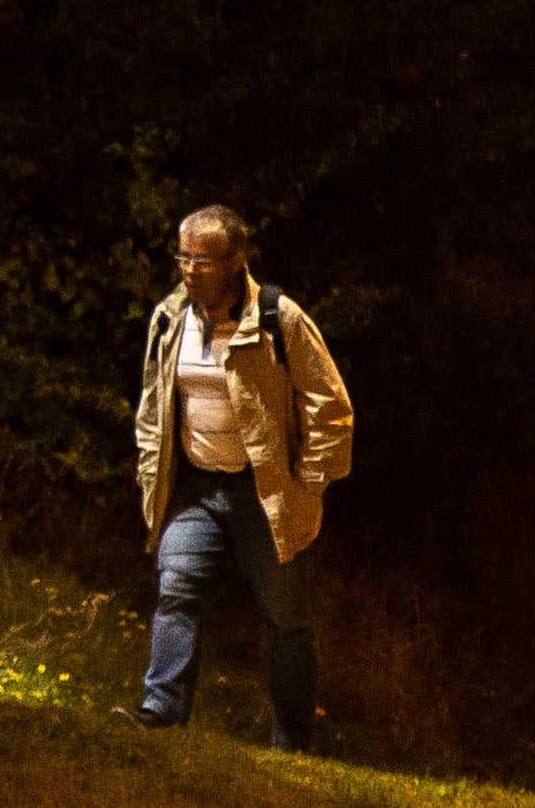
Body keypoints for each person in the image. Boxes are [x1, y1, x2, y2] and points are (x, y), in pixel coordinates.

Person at [134, 206, 355, 749]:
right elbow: (151, 407)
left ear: (237, 261)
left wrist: (308, 481)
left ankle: (293, 742)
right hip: (196, 488)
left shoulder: (280, 319)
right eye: (183, 256)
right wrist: (149, 471)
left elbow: (332, 405)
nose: (189, 269)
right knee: (176, 588)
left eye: (203, 259)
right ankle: (160, 714)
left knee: (285, 618)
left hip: (266, 492)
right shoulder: (170, 319)